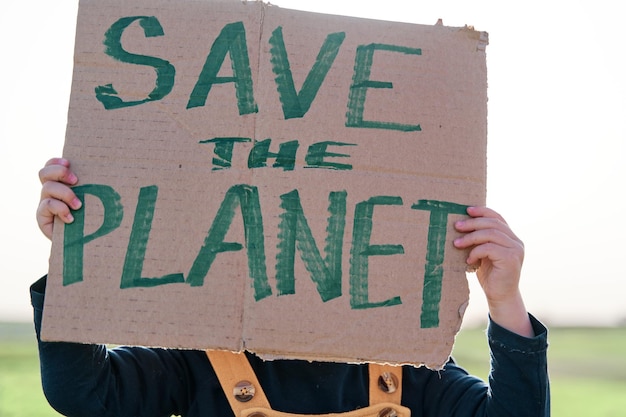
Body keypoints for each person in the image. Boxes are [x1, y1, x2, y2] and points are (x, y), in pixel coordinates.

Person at [32, 157, 550, 417]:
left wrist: (505, 301)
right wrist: (77, 255)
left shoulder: (412, 370)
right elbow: (84, 392)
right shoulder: (197, 362)